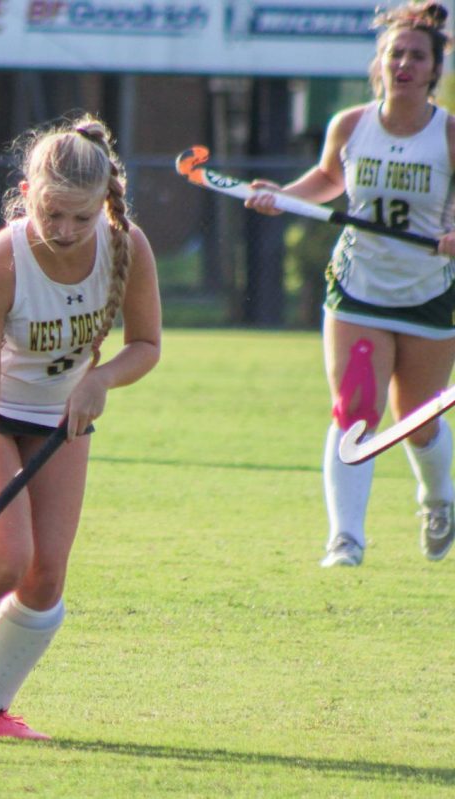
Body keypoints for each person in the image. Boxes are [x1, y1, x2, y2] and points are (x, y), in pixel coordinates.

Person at [0, 115, 161, 739]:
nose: (66, 231)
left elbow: (147, 344)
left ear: (106, 203)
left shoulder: (128, 246)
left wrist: (101, 381)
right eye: (52, 214)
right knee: (5, 555)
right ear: (25, 191)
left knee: (45, 579)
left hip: (60, 408)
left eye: (81, 217)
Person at [246, 1, 455, 568]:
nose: (404, 64)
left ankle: (438, 500)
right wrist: (282, 195)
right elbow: (327, 179)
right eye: (395, 54)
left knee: (417, 418)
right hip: (357, 287)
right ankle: (346, 539)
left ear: (435, 68)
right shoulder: (351, 125)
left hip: (427, 293)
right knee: (356, 408)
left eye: (417, 56)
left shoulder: (449, 134)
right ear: (380, 63)